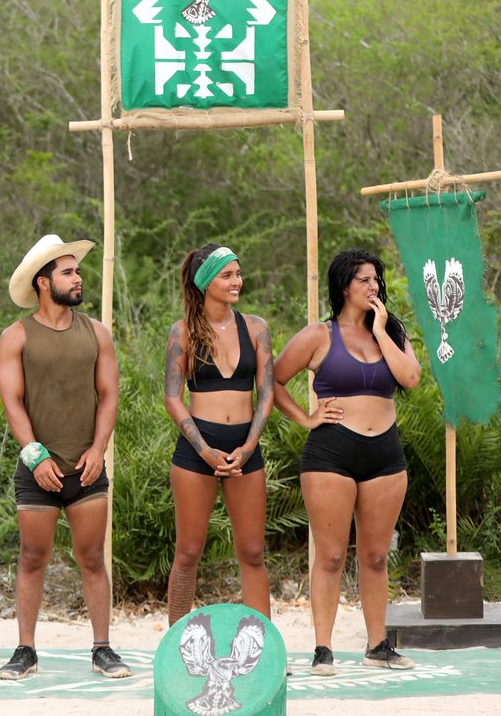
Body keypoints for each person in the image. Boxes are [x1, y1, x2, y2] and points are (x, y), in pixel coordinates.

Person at [274, 248, 421, 676]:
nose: (374, 286)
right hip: (331, 454)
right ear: (344, 286)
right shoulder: (318, 335)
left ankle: (378, 646)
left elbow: (411, 378)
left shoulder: (392, 332)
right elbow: (273, 380)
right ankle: (323, 649)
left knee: (375, 556)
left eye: (377, 280)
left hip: (385, 456)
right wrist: (306, 417)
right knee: (332, 555)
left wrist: (381, 329)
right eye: (364, 280)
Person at [0, 234, 132, 680]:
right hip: (38, 469)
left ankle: (103, 649)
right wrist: (35, 456)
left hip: (87, 468)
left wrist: (98, 448)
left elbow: (109, 395)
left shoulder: (97, 333)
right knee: (33, 557)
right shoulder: (15, 336)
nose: (78, 278)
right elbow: (12, 401)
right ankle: (25, 651)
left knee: (92, 558)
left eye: (78, 271)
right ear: (43, 281)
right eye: (68, 272)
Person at [163, 244, 274, 625]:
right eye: (227, 275)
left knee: (253, 551)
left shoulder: (256, 328)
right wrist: (204, 449)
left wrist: (249, 446)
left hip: (245, 446)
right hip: (197, 448)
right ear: (206, 282)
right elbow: (172, 397)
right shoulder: (183, 332)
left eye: (238, 274)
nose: (237, 281)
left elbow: (267, 393)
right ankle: (175, 642)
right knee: (188, 552)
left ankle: (263, 645)